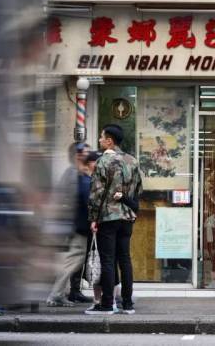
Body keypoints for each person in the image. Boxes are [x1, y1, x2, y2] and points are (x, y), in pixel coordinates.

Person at [86, 124, 142, 315]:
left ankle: (108, 304)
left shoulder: (103, 161)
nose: (100, 140)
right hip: (127, 216)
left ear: (110, 140)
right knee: (125, 259)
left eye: (102, 137)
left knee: (108, 260)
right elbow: (138, 190)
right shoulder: (132, 161)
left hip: (108, 216)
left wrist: (93, 217)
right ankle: (127, 304)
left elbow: (96, 192)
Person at [46, 145, 96, 307]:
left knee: (74, 260)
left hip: (76, 224)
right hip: (77, 225)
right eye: (86, 153)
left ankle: (68, 292)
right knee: (73, 260)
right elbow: (81, 199)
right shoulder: (74, 174)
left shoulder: (77, 173)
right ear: (78, 155)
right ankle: (56, 294)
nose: (89, 156)